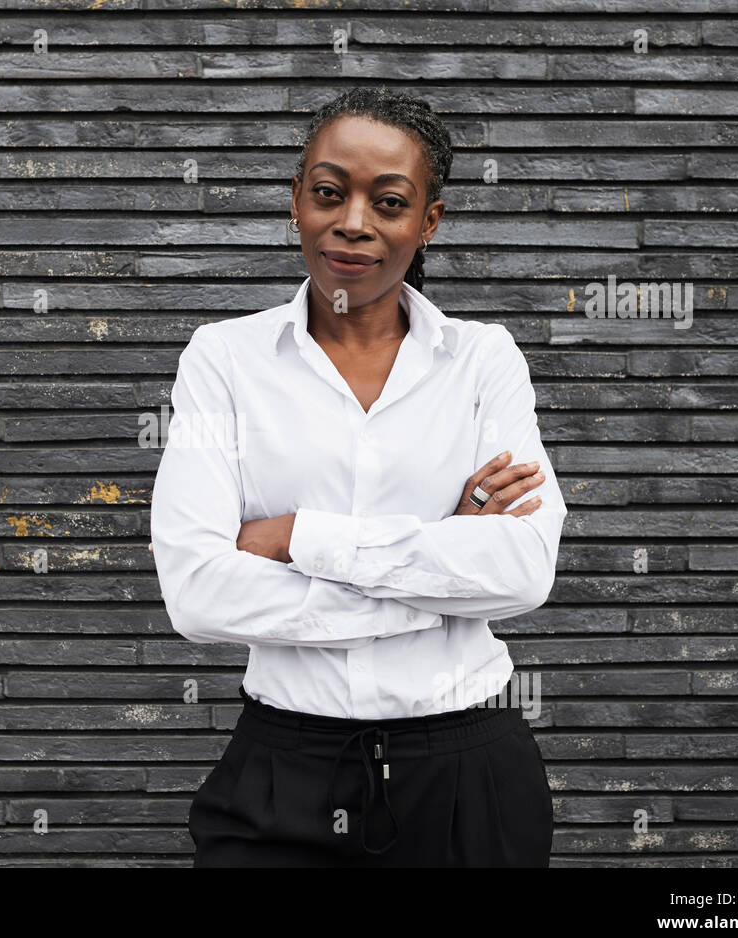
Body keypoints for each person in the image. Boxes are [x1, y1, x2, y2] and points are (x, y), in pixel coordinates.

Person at [149, 87, 567, 867]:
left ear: (427, 222)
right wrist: (435, 573)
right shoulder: (224, 361)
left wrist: (300, 537)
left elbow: (521, 569)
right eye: (329, 193)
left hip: (468, 779)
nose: (353, 223)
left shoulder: (483, 362)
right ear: (297, 202)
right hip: (282, 773)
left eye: (390, 201)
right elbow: (197, 591)